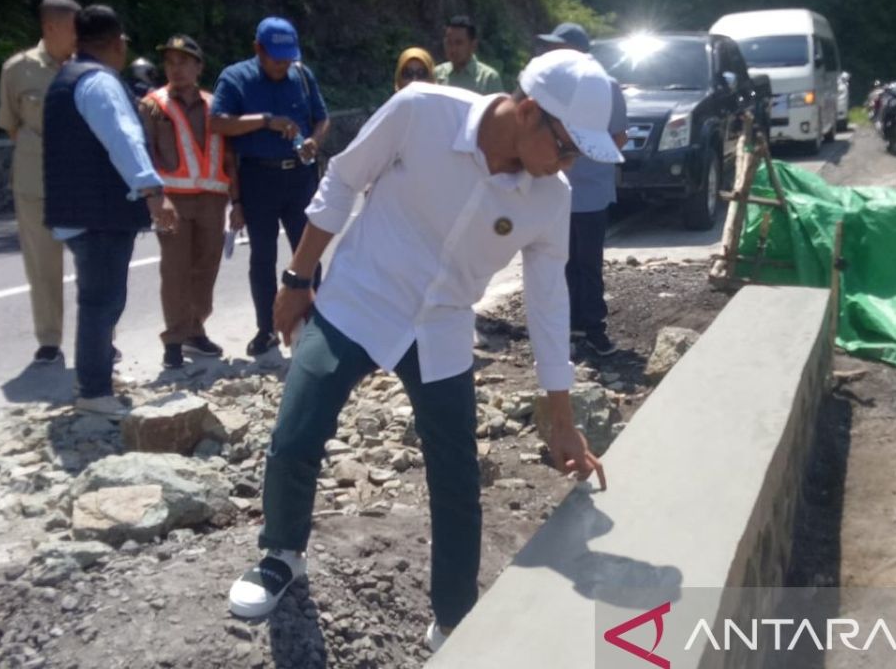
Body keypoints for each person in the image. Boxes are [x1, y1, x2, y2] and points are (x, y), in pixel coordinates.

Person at [227, 50, 614, 653]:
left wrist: (560, 417)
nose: (568, 165)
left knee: (457, 474)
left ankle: (453, 618)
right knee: (299, 428)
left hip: (441, 328)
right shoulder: (421, 112)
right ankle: (281, 555)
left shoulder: (550, 198)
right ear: (532, 112)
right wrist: (298, 278)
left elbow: (548, 302)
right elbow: (343, 180)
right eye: (566, 148)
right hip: (360, 298)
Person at [42, 5, 178, 416]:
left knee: (100, 298)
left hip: (78, 207)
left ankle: (96, 373)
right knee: (102, 300)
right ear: (118, 44)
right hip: (99, 211)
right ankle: (94, 389)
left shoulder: (66, 78)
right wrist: (154, 193)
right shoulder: (99, 83)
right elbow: (123, 140)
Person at [211, 17, 331, 357]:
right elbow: (218, 122)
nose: (282, 65)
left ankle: (312, 324)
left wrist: (313, 140)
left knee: (307, 252)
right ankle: (267, 330)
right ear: (258, 50)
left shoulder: (302, 76)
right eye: (275, 57)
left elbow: (322, 118)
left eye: (287, 58)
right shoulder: (236, 78)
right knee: (262, 257)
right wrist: (265, 121)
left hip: (299, 178)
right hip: (258, 178)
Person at [140, 35, 240, 369]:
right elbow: (146, 156)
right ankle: (174, 339)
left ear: (198, 66)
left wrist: (237, 201)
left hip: (212, 200)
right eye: (170, 62)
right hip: (174, 202)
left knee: (206, 268)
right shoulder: (153, 106)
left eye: (183, 61)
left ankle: (196, 329)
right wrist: (156, 198)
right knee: (175, 271)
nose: (176, 68)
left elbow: (229, 157)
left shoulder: (216, 105)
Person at [535, 22, 628, 356]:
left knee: (587, 263)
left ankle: (593, 329)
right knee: (559, 262)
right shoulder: (547, 89)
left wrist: (575, 151)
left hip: (590, 193)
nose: (550, 54)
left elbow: (618, 137)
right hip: (552, 190)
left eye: (558, 48)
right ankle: (566, 328)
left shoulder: (607, 87)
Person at [0, 0, 79, 365]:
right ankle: (49, 339)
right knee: (43, 267)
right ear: (51, 28)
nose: (79, 35)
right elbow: (13, 126)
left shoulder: (86, 67)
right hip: (34, 183)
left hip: (82, 182)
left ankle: (101, 337)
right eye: (73, 28)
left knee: (95, 264)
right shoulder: (17, 69)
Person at [434, 15, 503, 94]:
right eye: (449, 42)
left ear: (473, 45)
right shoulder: (437, 74)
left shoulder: (488, 79)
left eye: (459, 43)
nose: (453, 49)